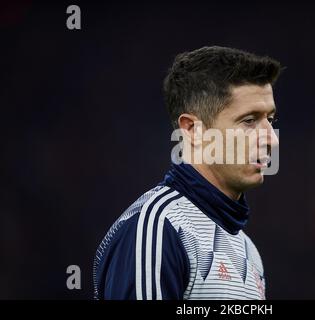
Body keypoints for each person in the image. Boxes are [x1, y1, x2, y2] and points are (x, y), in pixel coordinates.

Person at [93, 46, 281, 300]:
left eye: (270, 120)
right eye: (249, 120)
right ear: (192, 129)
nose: (271, 139)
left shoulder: (249, 252)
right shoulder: (159, 228)